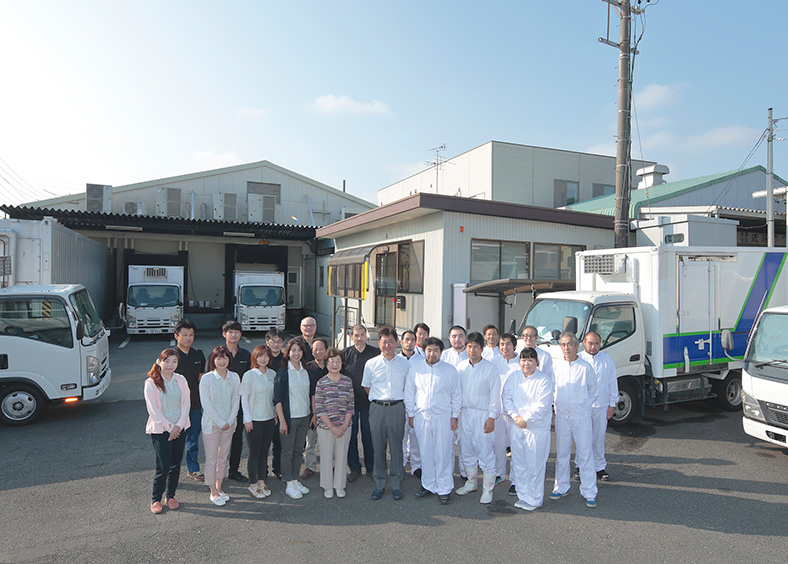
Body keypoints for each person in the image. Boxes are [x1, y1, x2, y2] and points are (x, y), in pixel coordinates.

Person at [405, 337, 462, 504]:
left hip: (443, 418)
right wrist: (411, 414)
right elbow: (409, 393)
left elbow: (456, 394)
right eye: (429, 350)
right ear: (424, 351)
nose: (432, 354)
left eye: (436, 350)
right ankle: (428, 484)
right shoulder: (416, 369)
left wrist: (455, 416)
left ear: (441, 352)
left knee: (443, 453)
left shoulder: (449, 370)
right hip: (422, 417)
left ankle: (444, 488)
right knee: (426, 453)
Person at [550, 332, 599, 508]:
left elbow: (594, 391)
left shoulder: (585, 368)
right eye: (563, 344)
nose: (567, 348)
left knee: (585, 455)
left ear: (577, 346)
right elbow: (552, 388)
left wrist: (583, 407)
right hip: (563, 417)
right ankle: (561, 487)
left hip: (581, 418)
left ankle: (589, 491)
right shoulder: (557, 366)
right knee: (562, 454)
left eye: (570, 344)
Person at [502, 347, 554, 511]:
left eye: (530, 360)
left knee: (535, 465)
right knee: (519, 463)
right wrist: (515, 416)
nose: (527, 363)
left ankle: (535, 499)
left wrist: (526, 419)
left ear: (537, 362)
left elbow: (542, 405)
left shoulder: (544, 380)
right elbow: (506, 397)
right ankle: (523, 495)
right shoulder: (514, 377)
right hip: (517, 426)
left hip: (535, 429)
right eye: (524, 360)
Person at [363, 327, 411, 501]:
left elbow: (409, 387)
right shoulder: (371, 363)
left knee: (397, 447)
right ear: (379, 343)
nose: (388, 345)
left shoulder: (405, 364)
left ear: (397, 343)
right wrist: (379, 399)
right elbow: (367, 386)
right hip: (377, 408)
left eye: (391, 341)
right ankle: (380, 483)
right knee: (378, 447)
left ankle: (396, 484)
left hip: (397, 407)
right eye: (384, 342)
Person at [455, 332, 500, 504]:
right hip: (465, 414)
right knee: (466, 450)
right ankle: (471, 482)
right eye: (469, 346)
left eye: (475, 346)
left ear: (482, 348)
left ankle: (488, 489)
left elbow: (495, 395)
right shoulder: (460, 367)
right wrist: (455, 415)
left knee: (485, 451)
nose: (472, 350)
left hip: (483, 414)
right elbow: (455, 392)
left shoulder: (490, 368)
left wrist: (492, 417)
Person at [144, 348, 191, 513]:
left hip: (180, 427)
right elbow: (153, 410)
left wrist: (179, 425)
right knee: (163, 466)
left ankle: (170, 496)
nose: (170, 365)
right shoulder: (151, 382)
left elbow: (186, 403)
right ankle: (156, 499)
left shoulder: (181, 379)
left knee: (175, 465)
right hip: (161, 430)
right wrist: (170, 428)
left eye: (174, 361)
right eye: (167, 361)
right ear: (159, 362)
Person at [200, 346, 241, 506]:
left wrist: (230, 420)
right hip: (212, 425)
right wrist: (220, 421)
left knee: (223, 458)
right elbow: (206, 404)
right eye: (218, 358)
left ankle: (219, 487)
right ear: (213, 360)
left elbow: (236, 401)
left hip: (229, 425)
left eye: (225, 358)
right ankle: (213, 491)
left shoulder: (234, 377)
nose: (222, 361)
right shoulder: (207, 379)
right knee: (211, 459)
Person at [274, 339, 313, 499]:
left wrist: (312, 414)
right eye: (293, 350)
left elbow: (310, 394)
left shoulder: (305, 371)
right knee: (287, 452)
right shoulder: (283, 372)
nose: (296, 354)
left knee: (298, 451)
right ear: (288, 353)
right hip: (290, 419)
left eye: (299, 350)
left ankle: (295, 479)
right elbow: (277, 399)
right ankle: (288, 483)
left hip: (304, 417)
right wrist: (282, 421)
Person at [576, 331, 618, 481]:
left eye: (596, 343)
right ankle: (580, 465)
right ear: (584, 343)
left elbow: (612, 382)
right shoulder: (578, 359)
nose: (593, 347)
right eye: (590, 343)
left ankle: (599, 466)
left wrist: (612, 405)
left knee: (599, 438)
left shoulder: (606, 360)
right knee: (582, 438)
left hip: (601, 405)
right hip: (582, 407)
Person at [314, 348, 355, 498]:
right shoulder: (321, 383)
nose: (335, 364)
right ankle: (327, 486)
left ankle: (339, 485)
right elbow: (319, 407)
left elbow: (351, 405)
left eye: (338, 361)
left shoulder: (347, 381)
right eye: (332, 361)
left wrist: (343, 426)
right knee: (326, 457)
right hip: (326, 427)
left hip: (344, 427)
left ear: (342, 363)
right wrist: (332, 427)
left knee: (341, 456)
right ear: (326, 363)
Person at [343, 324, 380, 482]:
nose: (359, 338)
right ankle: (354, 468)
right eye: (356, 335)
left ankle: (371, 467)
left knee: (369, 436)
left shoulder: (376, 353)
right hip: (350, 404)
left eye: (362, 335)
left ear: (366, 336)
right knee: (351, 436)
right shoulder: (345, 354)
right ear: (351, 337)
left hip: (369, 403)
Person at [240, 344, 277, 499]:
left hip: (269, 418)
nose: (263, 358)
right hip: (254, 420)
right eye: (260, 355)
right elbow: (244, 398)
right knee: (254, 452)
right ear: (255, 357)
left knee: (264, 452)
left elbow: (274, 397)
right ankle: (253, 484)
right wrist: (247, 418)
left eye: (266, 356)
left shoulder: (273, 374)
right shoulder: (249, 375)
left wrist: (275, 415)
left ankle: (262, 481)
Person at [173, 319, 206, 482]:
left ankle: (193, 469)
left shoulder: (198, 354)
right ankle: (171, 472)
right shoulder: (170, 356)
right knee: (173, 441)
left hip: (195, 405)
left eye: (191, 335)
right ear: (176, 336)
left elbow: (202, 378)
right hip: (175, 407)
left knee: (193, 439)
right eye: (184, 335)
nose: (188, 338)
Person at [222, 320, 251, 482]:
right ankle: (217, 472)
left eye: (237, 332)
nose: (233, 335)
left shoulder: (246, 355)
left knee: (237, 438)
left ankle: (234, 470)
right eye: (230, 332)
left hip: (239, 404)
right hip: (220, 404)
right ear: (224, 334)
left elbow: (249, 379)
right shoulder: (217, 354)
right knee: (219, 438)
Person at [302, 338, 329, 479]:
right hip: (312, 410)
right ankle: (310, 466)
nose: (318, 352)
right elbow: (310, 392)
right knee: (310, 441)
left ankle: (329, 466)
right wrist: (314, 413)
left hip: (330, 410)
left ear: (326, 351)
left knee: (329, 442)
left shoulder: (332, 366)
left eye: (321, 349)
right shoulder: (307, 368)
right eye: (315, 349)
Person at [399, 330, 422, 478]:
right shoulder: (396, 359)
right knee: (401, 436)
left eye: (412, 339)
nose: (409, 342)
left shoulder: (421, 360)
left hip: (416, 404)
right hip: (399, 404)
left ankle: (417, 466)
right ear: (401, 342)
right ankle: (400, 465)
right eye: (407, 339)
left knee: (415, 437)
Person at [266, 328, 286, 478]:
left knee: (279, 441)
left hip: (281, 404)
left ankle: (277, 468)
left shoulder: (286, 360)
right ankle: (262, 470)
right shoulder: (261, 357)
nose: (276, 344)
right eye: (273, 341)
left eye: (279, 342)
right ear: (268, 342)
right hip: (263, 404)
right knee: (264, 441)